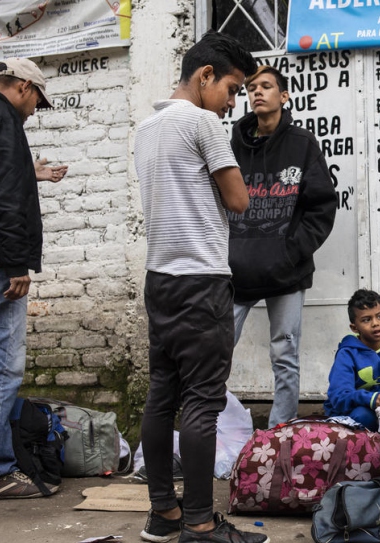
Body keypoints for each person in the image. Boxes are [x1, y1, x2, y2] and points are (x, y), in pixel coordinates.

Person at [134, 32, 267, 543]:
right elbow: (237, 199)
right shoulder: (203, 122)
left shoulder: (148, 127)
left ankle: (162, 514)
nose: (234, 102)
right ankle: (200, 523)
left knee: (161, 396)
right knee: (203, 402)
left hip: (160, 278)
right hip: (202, 280)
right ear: (205, 75)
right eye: (232, 88)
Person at [228, 65, 337, 428]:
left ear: (284, 96)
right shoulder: (234, 143)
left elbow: (322, 206)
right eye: (251, 87)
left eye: (266, 86)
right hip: (236, 271)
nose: (257, 92)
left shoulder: (302, 144)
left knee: (285, 355)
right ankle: (211, 426)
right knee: (215, 352)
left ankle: (280, 433)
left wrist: (291, 252)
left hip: (286, 273)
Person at [0, 57, 54, 500]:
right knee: (2, 367)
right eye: (37, 101)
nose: (34, 109)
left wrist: (32, 173)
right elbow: (4, 196)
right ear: (23, 87)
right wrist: (16, 265)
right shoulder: (4, 118)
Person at [324, 289, 380, 431]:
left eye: (379, 317)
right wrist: (371, 398)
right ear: (354, 328)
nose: (375, 323)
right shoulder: (347, 354)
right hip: (352, 413)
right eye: (366, 320)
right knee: (363, 416)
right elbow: (339, 397)